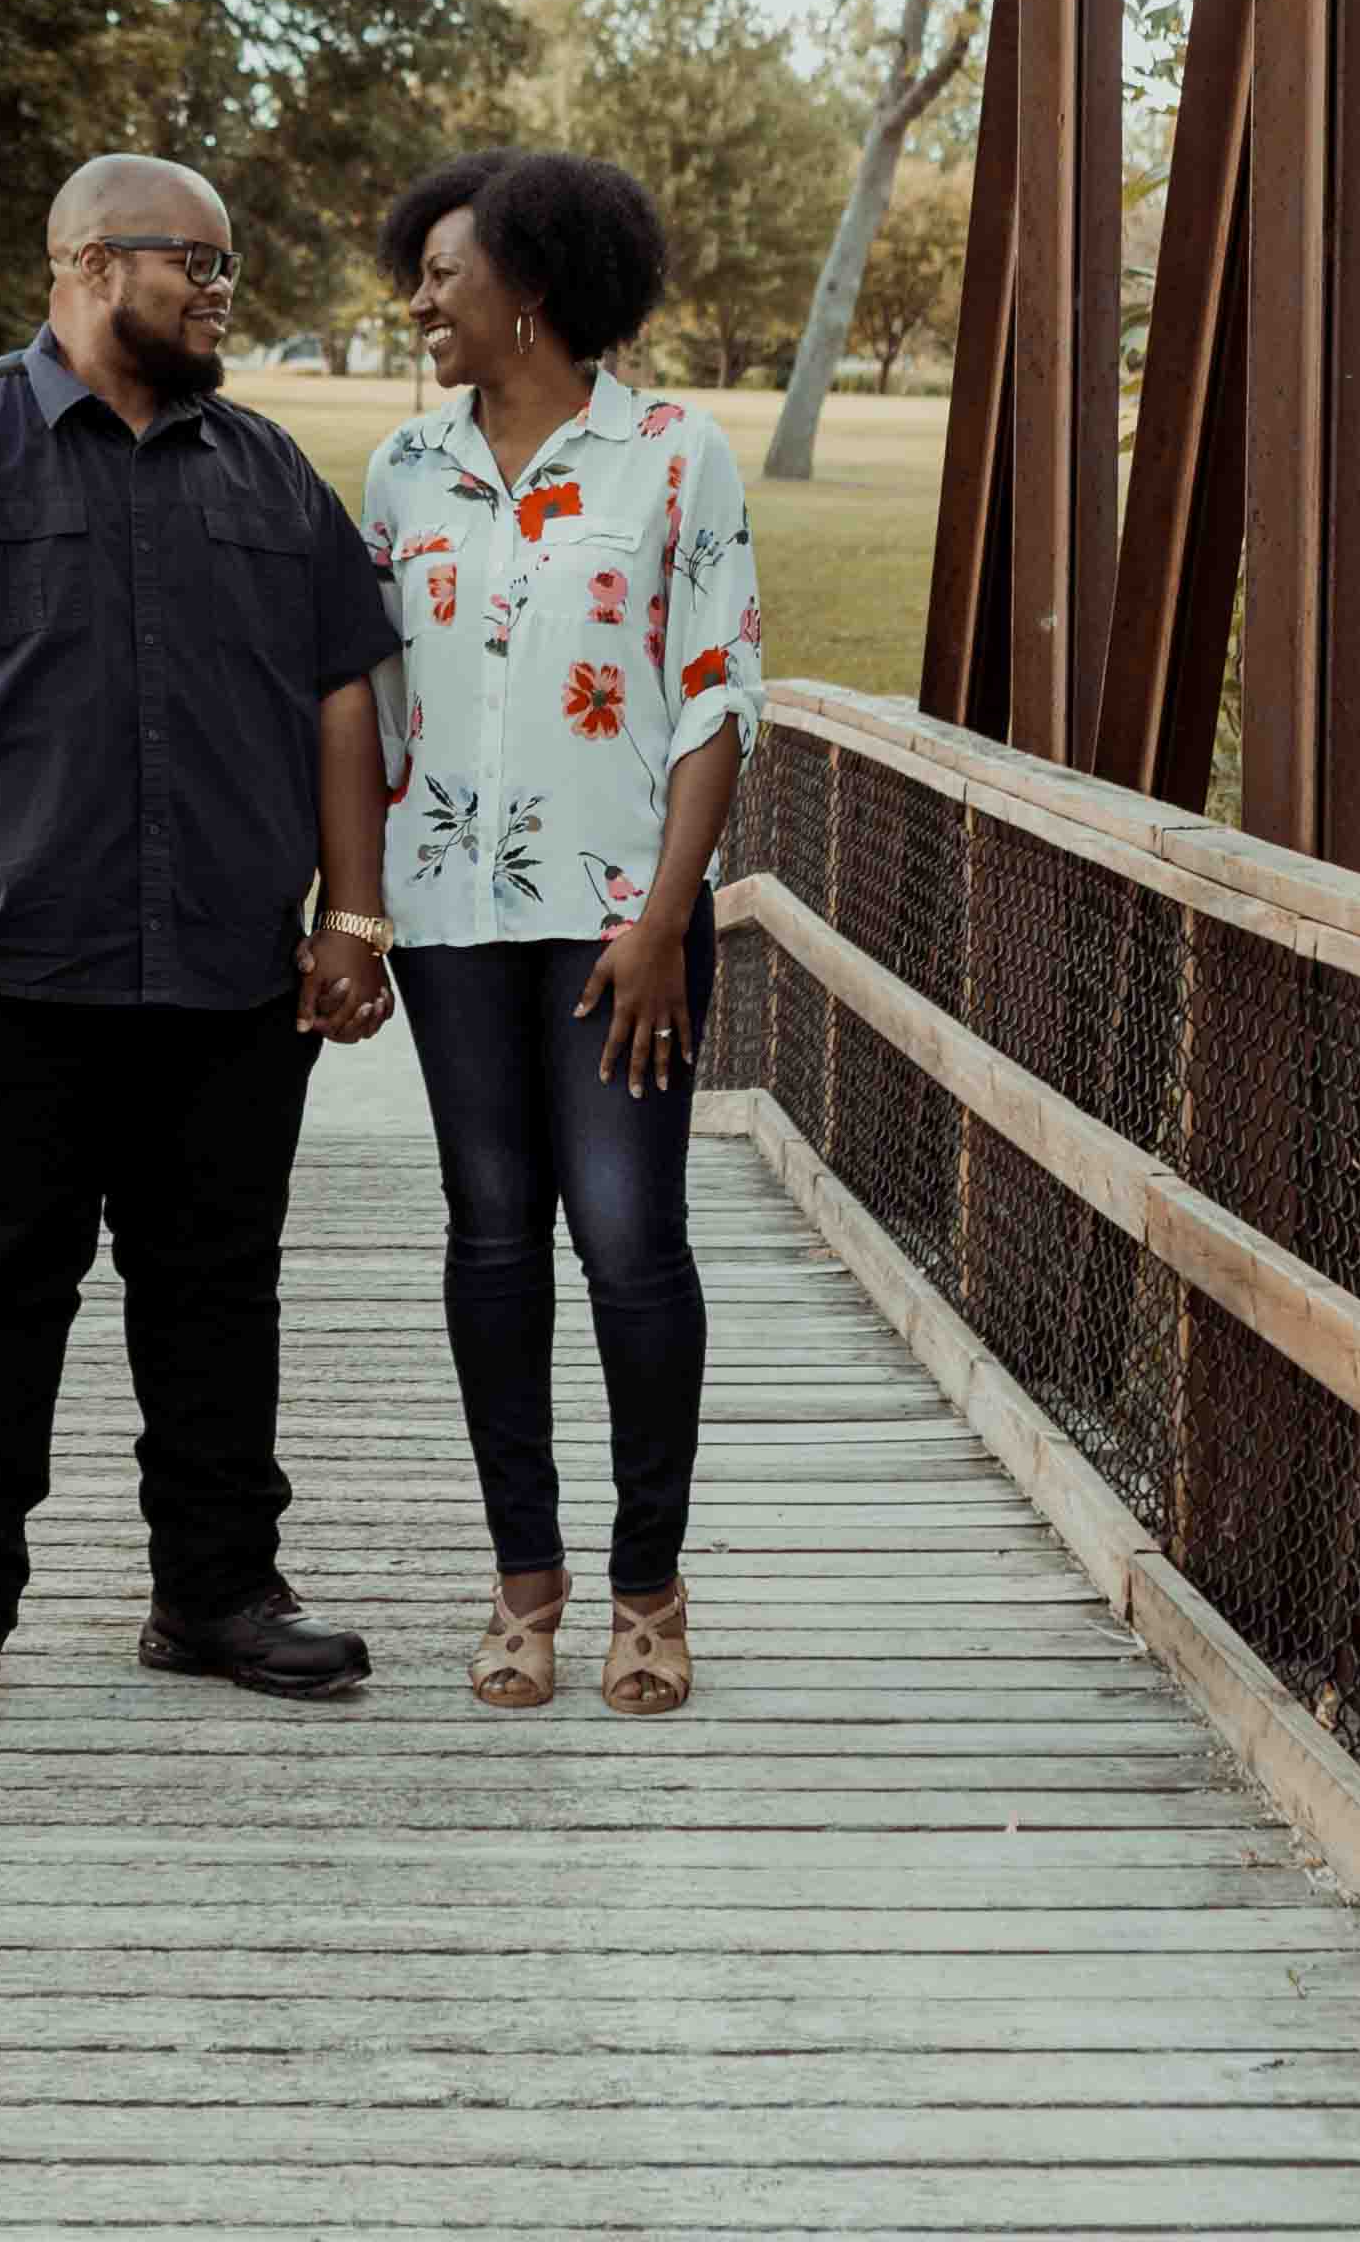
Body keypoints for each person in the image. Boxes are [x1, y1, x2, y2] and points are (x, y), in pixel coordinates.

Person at [0, 154, 404, 1723]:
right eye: (196, 262)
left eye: (227, 270)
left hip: (224, 967)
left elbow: (343, 690)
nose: (218, 292)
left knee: (217, 1287)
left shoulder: (267, 475)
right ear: (89, 264)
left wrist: (354, 910)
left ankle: (216, 1594)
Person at [356, 149, 765, 1717]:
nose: (421, 300)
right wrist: (357, 910)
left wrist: (667, 921)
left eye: (444, 275)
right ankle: (524, 1589)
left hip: (622, 925)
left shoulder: (674, 457)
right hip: (457, 922)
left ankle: (649, 1591)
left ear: (530, 287)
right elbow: (372, 709)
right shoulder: (403, 469)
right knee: (489, 1238)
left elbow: (719, 691)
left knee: (629, 1240)